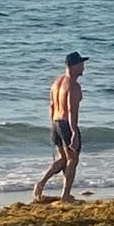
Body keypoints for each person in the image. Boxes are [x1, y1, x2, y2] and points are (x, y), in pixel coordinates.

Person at [33, 51, 88, 203]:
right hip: (66, 123)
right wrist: (74, 132)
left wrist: (53, 126)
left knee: (63, 158)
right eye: (81, 64)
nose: (84, 67)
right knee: (72, 159)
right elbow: (71, 110)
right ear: (74, 66)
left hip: (55, 122)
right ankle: (65, 195)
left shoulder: (56, 83)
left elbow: (51, 105)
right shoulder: (73, 86)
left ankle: (40, 183)